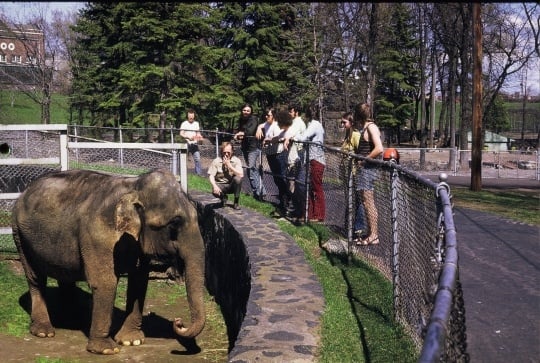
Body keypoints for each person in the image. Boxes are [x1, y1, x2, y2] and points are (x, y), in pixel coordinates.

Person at [353, 103, 384, 246]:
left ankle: (374, 235)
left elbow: (379, 148)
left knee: (369, 203)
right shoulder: (365, 128)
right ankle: (372, 233)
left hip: (368, 170)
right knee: (366, 202)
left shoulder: (371, 127)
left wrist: (364, 160)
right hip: (365, 170)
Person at [292, 101, 326, 222]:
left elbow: (303, 137)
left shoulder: (315, 125)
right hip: (311, 159)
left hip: (316, 159)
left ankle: (319, 215)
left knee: (316, 188)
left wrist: (292, 136)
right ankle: (311, 214)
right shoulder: (313, 124)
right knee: (311, 188)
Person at [256, 107, 289, 214]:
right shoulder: (266, 124)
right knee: (276, 178)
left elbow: (281, 137)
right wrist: (258, 128)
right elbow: (261, 125)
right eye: (265, 115)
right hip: (270, 154)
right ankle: (282, 199)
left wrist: (270, 140)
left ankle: (286, 200)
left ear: (273, 116)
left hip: (278, 154)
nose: (266, 117)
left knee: (281, 177)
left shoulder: (276, 125)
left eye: (268, 115)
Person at [262, 108, 293, 218]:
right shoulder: (282, 130)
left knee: (284, 179)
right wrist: (269, 140)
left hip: (282, 156)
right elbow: (277, 137)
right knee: (278, 179)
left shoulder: (290, 130)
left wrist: (286, 139)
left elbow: (288, 136)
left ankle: (288, 205)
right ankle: (283, 203)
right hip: (275, 155)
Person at [340, 111, 364, 240]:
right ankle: (348, 226)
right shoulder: (347, 136)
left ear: (352, 123)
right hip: (346, 174)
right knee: (349, 201)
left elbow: (360, 154)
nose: (342, 124)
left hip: (354, 174)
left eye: (344, 122)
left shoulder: (355, 135)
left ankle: (358, 228)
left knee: (357, 201)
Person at [234, 103, 266, 200]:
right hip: (245, 147)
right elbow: (240, 132)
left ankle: (259, 192)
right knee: (250, 170)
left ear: (251, 111)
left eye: (248, 110)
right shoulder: (241, 120)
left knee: (251, 169)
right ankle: (258, 192)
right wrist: (239, 135)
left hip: (253, 147)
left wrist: (241, 133)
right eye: (244, 110)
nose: (246, 112)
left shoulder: (253, 119)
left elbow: (250, 131)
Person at [283, 104, 306, 217]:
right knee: (290, 181)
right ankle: (294, 208)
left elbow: (292, 135)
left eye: (291, 112)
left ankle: (296, 209)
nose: (289, 114)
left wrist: (287, 138)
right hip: (292, 155)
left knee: (293, 183)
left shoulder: (298, 123)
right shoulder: (294, 123)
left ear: (296, 112)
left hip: (296, 156)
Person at [208, 141, 244, 210]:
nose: (226, 154)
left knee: (238, 179)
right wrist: (214, 186)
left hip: (231, 185)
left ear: (232, 152)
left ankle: (236, 202)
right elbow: (211, 175)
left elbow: (241, 174)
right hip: (221, 185)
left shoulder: (236, 160)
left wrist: (229, 166)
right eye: (224, 152)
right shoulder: (216, 161)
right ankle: (223, 198)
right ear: (222, 152)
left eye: (228, 152)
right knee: (214, 190)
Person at [180, 109, 203, 176]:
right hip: (186, 143)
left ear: (194, 116)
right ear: (187, 116)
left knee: (197, 158)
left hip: (194, 143)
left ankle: (198, 174)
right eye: (190, 117)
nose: (191, 118)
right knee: (183, 159)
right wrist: (188, 137)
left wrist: (200, 137)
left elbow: (198, 133)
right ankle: (183, 174)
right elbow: (181, 133)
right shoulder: (184, 123)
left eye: (192, 117)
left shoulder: (196, 123)